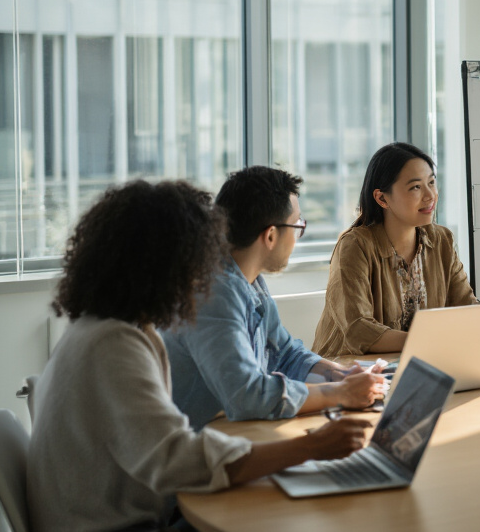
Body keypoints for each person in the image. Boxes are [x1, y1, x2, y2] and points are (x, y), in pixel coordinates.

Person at [28, 180, 371, 532]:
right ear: (164, 262)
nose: (206, 269)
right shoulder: (114, 344)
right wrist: (311, 447)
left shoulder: (109, 327)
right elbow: (179, 461)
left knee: (270, 523)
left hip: (118, 530)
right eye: (198, 255)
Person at [162, 166, 386, 430]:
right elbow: (247, 396)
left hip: (227, 433)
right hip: (192, 449)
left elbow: (285, 353)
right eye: (297, 225)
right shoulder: (212, 293)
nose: (297, 236)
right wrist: (340, 393)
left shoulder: (250, 279)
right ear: (270, 235)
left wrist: (340, 374)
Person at [313, 142, 476, 356]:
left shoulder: (441, 240)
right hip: (348, 373)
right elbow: (359, 330)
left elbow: (466, 308)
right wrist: (430, 341)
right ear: (382, 198)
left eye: (432, 182)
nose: (430, 195)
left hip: (417, 364)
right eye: (416, 187)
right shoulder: (355, 246)